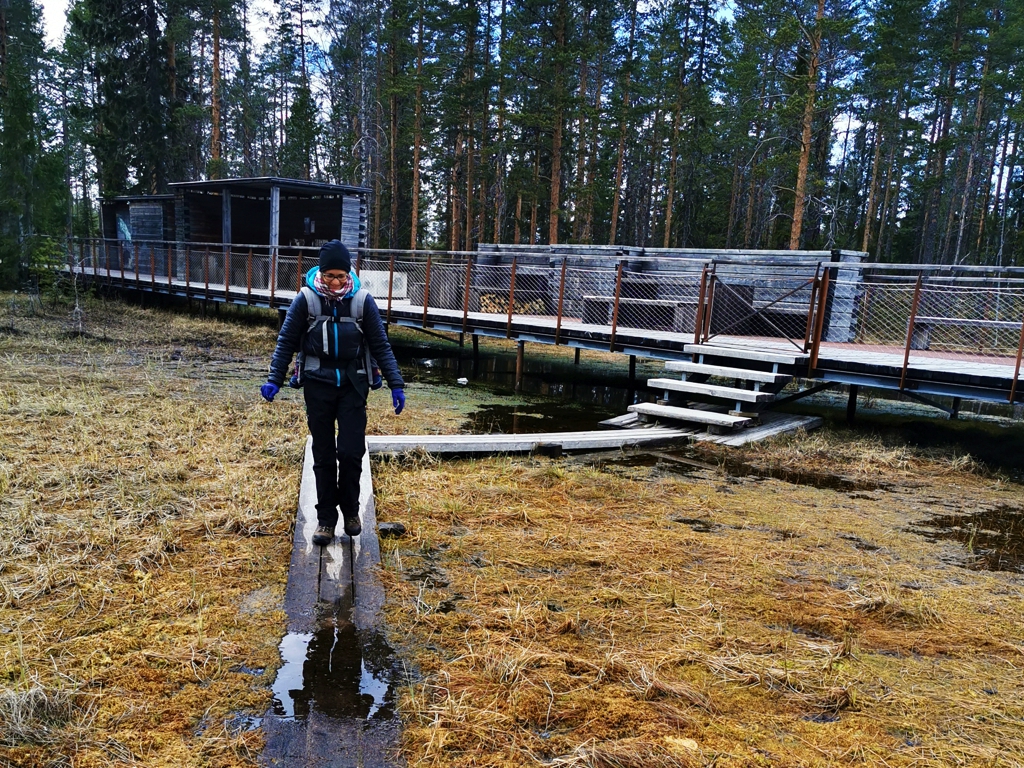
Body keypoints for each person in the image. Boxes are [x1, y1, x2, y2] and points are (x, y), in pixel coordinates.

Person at [260, 240, 405, 546]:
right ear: (321, 274)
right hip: (317, 383)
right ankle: (326, 519)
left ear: (349, 273)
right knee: (323, 453)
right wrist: (275, 378)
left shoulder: (362, 301)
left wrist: (397, 384)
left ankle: (351, 511)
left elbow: (380, 346)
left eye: (341, 276)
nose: (336, 282)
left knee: (351, 452)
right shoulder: (306, 300)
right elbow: (286, 341)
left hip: (354, 384)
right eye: (330, 276)